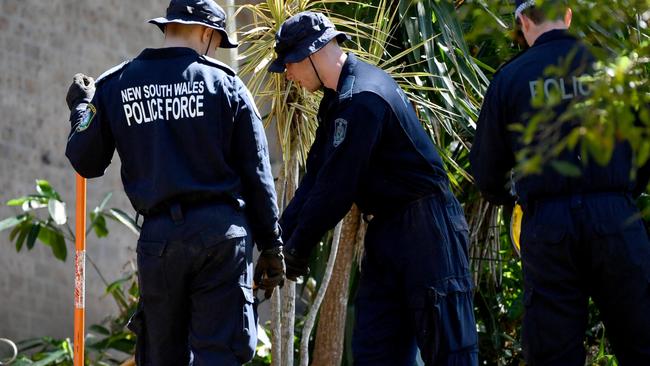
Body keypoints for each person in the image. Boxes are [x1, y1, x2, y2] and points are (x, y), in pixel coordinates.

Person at [64, 0, 285, 364]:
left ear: (169, 27)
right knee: (220, 353)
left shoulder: (115, 84)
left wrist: (81, 109)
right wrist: (272, 245)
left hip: (160, 241)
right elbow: (257, 173)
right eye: (215, 41)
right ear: (204, 33)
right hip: (221, 237)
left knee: (162, 355)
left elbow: (85, 160)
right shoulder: (226, 84)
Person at [268, 11, 479, 365]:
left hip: (426, 228)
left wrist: (298, 249)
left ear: (311, 53)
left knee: (449, 351)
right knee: (375, 351)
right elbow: (316, 178)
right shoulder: (338, 101)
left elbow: (336, 188)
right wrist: (279, 242)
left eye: (289, 63)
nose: (287, 73)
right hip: (386, 230)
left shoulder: (362, 98)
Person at [470, 1, 650, 364]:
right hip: (616, 219)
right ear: (567, 14)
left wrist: (514, 201)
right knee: (642, 340)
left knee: (554, 352)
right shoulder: (610, 68)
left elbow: (487, 172)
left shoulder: (510, 78)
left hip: (549, 227)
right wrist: (624, 192)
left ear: (522, 21)